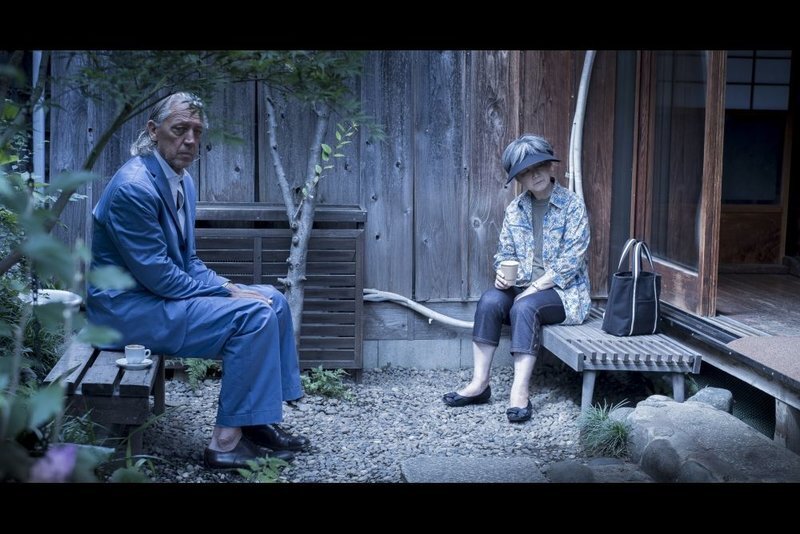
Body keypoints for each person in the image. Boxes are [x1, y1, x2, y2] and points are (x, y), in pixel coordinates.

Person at [87, 92, 310, 469]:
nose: (190, 140)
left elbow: (187, 261)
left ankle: (255, 422)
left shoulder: (182, 181)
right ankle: (224, 444)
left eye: (197, 131)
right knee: (253, 317)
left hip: (155, 299)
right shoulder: (134, 188)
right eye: (179, 129)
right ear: (153, 130)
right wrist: (225, 291)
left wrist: (229, 287)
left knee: (273, 300)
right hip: (124, 312)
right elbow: (161, 276)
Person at [443, 134, 591, 423]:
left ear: (549, 166)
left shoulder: (572, 206)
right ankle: (480, 384)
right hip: (523, 287)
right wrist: (502, 273)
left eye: (539, 166)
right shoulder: (516, 209)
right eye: (526, 171)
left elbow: (572, 261)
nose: (534, 174)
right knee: (489, 300)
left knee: (525, 306)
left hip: (564, 293)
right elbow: (505, 253)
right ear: (519, 178)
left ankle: (519, 391)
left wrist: (534, 287)